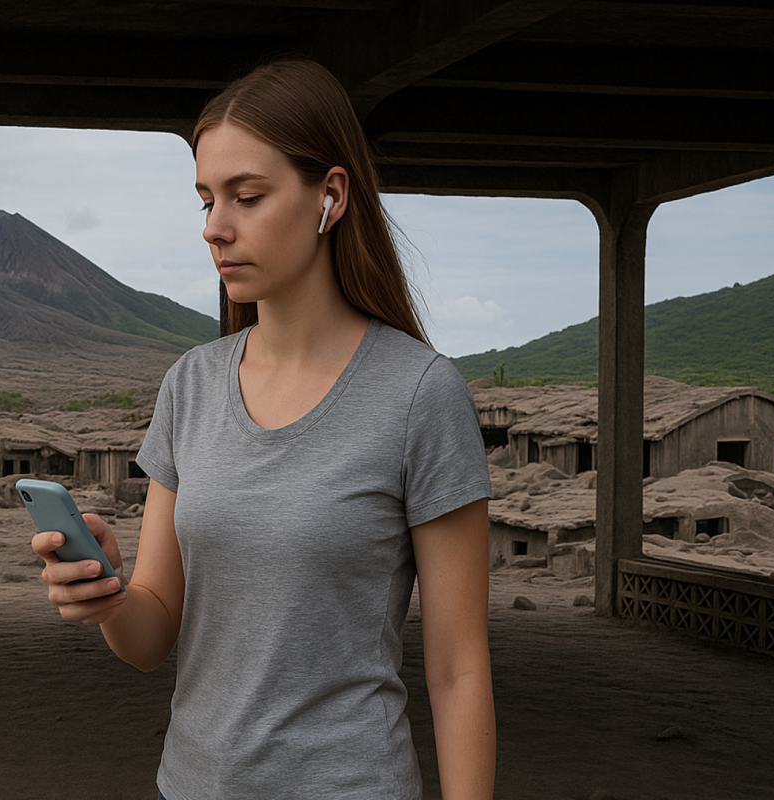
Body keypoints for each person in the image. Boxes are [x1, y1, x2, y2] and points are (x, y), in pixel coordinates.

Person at [30, 59, 495, 800]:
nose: (216, 228)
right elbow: (152, 638)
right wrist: (109, 595)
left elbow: (458, 669)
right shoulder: (191, 383)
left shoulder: (419, 395)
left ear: (331, 197)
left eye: (247, 196)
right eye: (206, 199)